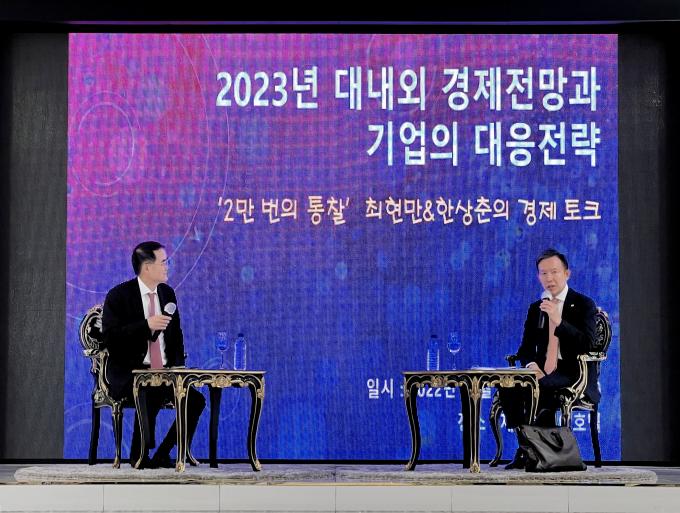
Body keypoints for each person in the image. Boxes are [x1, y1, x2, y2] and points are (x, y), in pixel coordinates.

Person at [102, 241, 206, 468]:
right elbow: (110, 338)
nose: (168, 266)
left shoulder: (168, 294)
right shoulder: (118, 296)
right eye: (163, 262)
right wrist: (145, 325)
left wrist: (178, 368)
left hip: (165, 373)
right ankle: (139, 455)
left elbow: (176, 336)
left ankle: (163, 453)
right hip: (129, 373)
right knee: (151, 388)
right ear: (147, 267)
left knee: (196, 400)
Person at [500, 248, 597, 469]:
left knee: (539, 388)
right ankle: (526, 447)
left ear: (567, 274)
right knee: (508, 385)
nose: (549, 278)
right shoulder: (536, 308)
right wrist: (532, 365)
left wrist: (558, 320)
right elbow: (525, 348)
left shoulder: (584, 304)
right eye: (543, 273)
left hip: (572, 371)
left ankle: (542, 451)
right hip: (540, 369)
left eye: (554, 272)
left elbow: (588, 344)